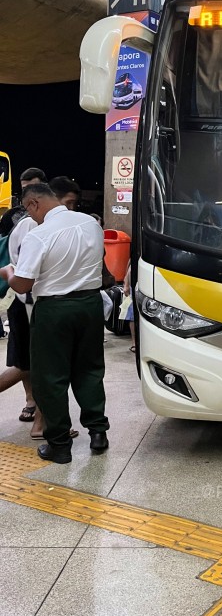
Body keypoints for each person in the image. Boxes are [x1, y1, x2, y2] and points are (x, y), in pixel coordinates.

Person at [0, 183, 109, 464]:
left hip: (54, 309)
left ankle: (59, 445)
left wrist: (8, 273)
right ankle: (98, 432)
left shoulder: (40, 234)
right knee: (90, 369)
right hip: (90, 305)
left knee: (51, 377)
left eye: (29, 210)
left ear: (34, 203)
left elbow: (23, 285)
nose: (31, 217)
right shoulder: (92, 224)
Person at [0, 167, 47, 427]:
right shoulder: (16, 219)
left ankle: (40, 412)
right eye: (24, 189)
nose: (28, 197)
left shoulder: (47, 219)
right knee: (27, 362)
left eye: (33, 188)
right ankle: (38, 410)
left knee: (27, 361)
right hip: (24, 299)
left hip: (24, 297)